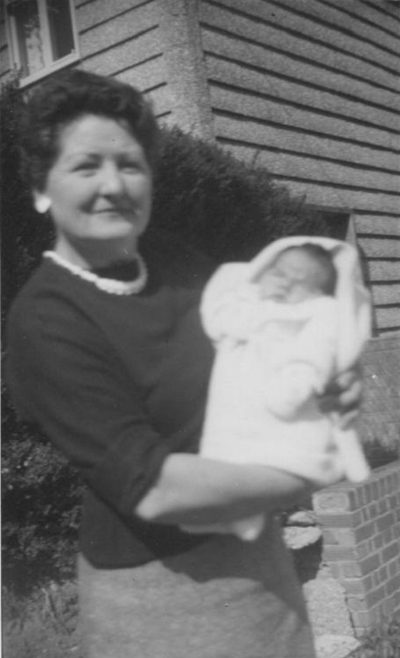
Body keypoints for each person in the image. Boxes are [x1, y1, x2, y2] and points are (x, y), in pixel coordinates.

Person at [5, 69, 363, 658]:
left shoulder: (177, 262)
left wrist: (325, 384)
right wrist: (306, 472)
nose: (114, 183)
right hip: (163, 598)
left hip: (261, 560)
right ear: (42, 188)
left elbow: (264, 355)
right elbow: (153, 488)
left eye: (131, 164)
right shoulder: (47, 319)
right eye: (86, 165)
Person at [183, 240, 371, 540]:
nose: (285, 283)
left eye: (300, 281)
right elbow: (221, 320)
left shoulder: (319, 313)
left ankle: (245, 514)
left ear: (316, 293)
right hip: (233, 402)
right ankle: (228, 516)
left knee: (268, 456)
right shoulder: (248, 302)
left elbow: (315, 352)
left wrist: (300, 380)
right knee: (225, 450)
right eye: (279, 273)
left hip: (280, 396)